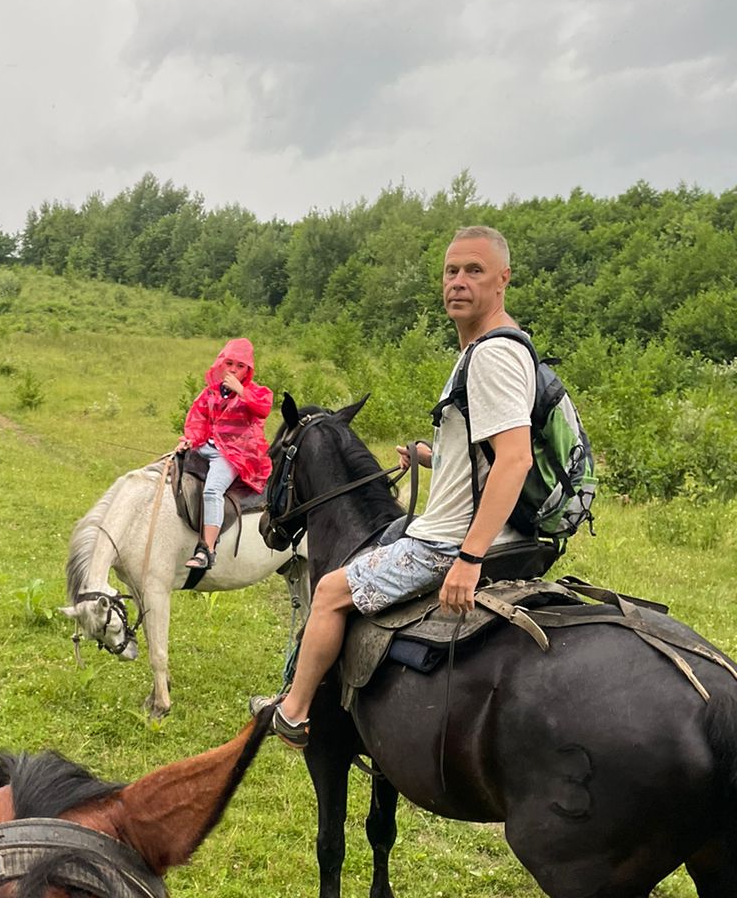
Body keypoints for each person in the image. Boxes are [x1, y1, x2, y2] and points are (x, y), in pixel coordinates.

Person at [271, 226, 535, 748]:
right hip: (465, 526)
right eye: (451, 271)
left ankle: (294, 712)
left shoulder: (491, 355)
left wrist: (468, 558)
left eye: (474, 271)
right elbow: (488, 455)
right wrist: (434, 459)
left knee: (328, 592)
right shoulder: (495, 346)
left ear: (503, 279)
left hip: (448, 541)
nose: (458, 282)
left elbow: (516, 458)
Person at [177, 337, 273, 570]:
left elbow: (263, 410)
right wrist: (190, 439)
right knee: (171, 467)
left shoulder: (255, 392)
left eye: (240, 366)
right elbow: (199, 421)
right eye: (230, 363)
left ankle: (207, 549)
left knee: (212, 490)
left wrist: (242, 392)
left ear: (247, 371)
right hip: (207, 446)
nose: (233, 370)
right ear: (222, 363)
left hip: (234, 453)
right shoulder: (210, 393)